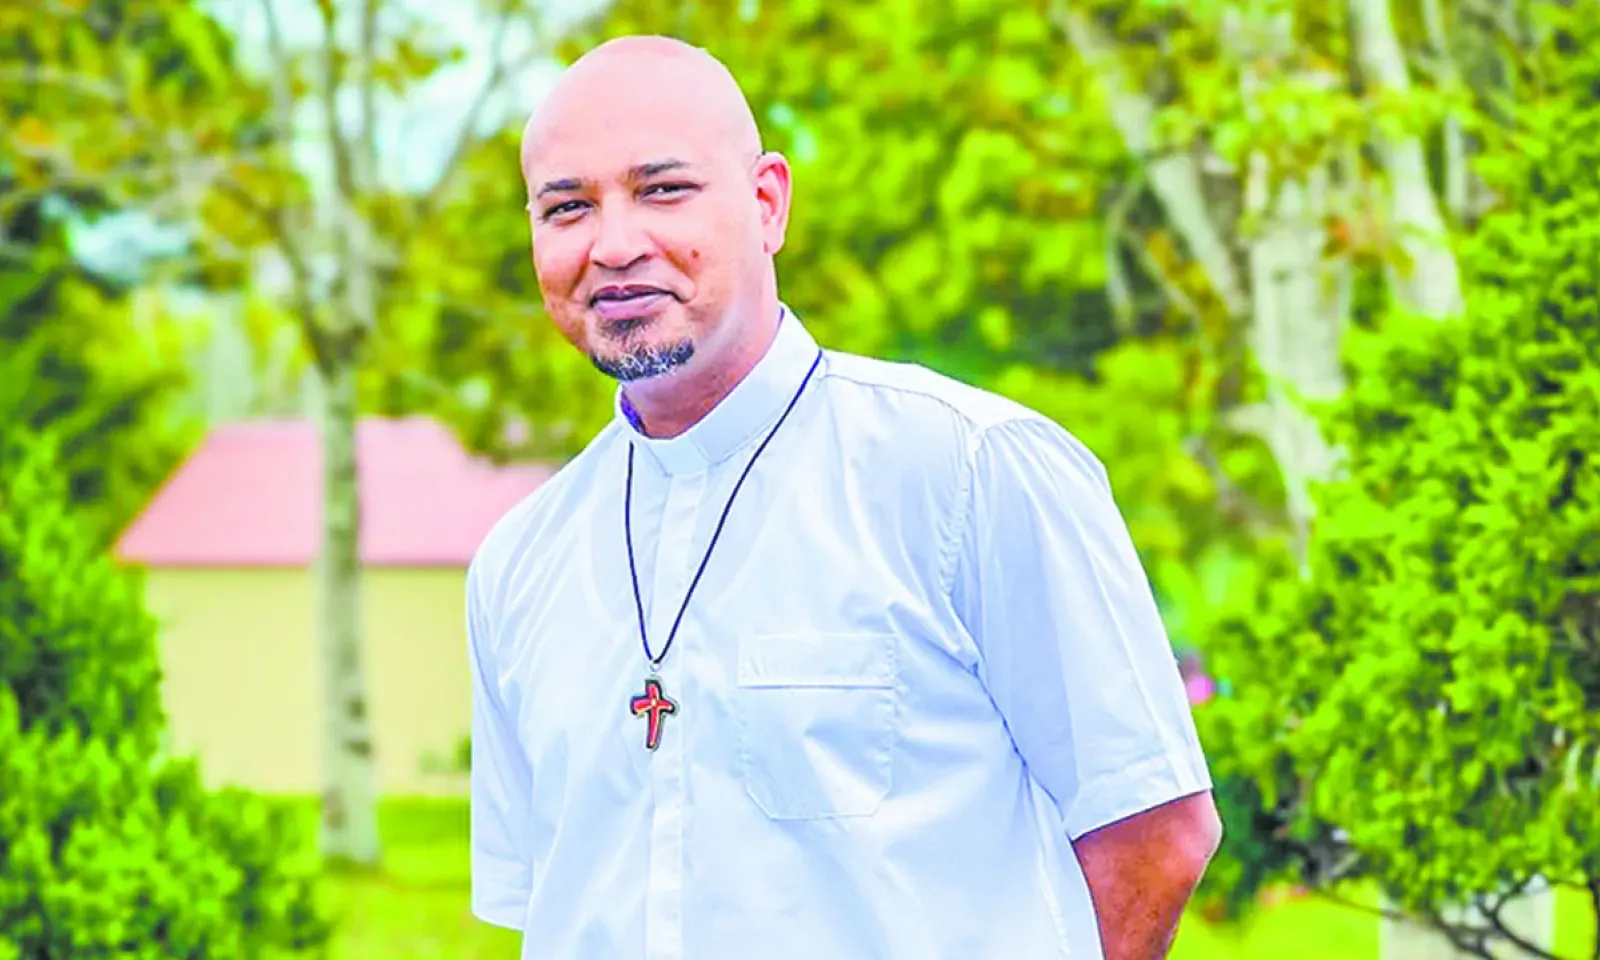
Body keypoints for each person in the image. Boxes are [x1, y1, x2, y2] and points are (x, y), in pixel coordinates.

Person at [467, 33, 1221, 960]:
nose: (615, 245)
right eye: (567, 207)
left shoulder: (968, 471)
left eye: (662, 189)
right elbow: (544, 901)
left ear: (768, 202)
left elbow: (1155, 836)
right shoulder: (521, 561)